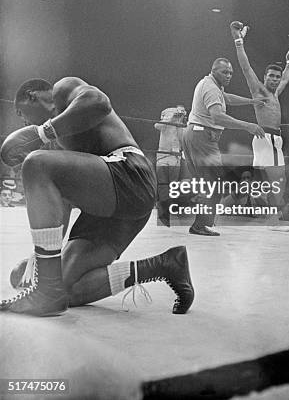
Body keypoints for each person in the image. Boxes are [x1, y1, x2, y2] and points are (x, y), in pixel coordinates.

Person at [0, 77, 194, 316]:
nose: (24, 121)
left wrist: (43, 133)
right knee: (64, 289)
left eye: (21, 113)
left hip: (130, 175)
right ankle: (165, 265)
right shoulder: (58, 147)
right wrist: (41, 264)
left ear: (32, 95)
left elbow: (99, 103)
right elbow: (61, 208)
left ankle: (46, 290)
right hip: (111, 209)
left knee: (35, 163)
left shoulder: (64, 91)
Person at [182, 58, 266, 236]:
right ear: (213, 71)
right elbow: (218, 117)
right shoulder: (211, 88)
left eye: (230, 73)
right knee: (214, 181)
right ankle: (200, 225)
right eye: (224, 72)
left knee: (206, 182)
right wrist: (248, 126)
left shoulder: (211, 85)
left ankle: (200, 223)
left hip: (195, 134)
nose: (228, 76)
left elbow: (226, 98)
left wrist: (251, 102)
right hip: (202, 137)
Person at [230, 21, 289, 206]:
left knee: (265, 180)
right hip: (267, 137)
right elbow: (246, 68)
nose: (275, 79)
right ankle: (270, 216)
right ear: (265, 76)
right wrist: (238, 40)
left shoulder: (275, 92)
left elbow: (285, 78)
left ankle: (259, 213)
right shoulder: (259, 90)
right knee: (277, 178)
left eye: (277, 76)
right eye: (271, 76)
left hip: (272, 139)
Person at [154, 105, 186, 226]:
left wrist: (180, 123)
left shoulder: (180, 125)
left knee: (173, 186)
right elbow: (157, 126)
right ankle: (163, 214)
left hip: (175, 157)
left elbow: (182, 140)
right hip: (162, 156)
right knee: (162, 184)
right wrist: (172, 118)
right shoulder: (165, 124)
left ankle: (170, 211)